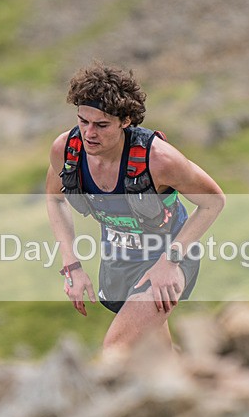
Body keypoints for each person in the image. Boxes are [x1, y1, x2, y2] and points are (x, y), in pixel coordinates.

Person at [45, 62, 225, 355]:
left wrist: (170, 261)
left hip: (170, 256)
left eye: (102, 125)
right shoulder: (67, 150)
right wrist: (72, 265)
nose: (89, 133)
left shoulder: (160, 160)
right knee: (157, 353)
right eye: (83, 121)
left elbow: (213, 201)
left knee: (116, 349)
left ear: (125, 121)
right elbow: (55, 199)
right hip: (119, 260)